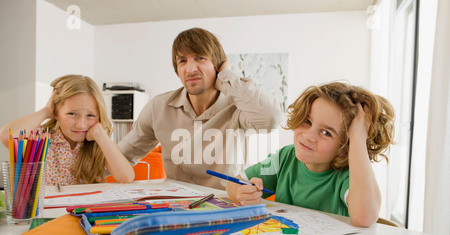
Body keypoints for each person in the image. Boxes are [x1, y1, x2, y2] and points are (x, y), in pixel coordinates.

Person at [117, 27, 281, 190]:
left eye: (200, 58)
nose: (190, 69)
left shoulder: (238, 106)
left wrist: (226, 76)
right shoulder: (158, 107)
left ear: (217, 65)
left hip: (225, 204)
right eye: (182, 61)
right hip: (176, 205)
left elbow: (271, 118)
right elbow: (121, 156)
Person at [226, 82, 395, 227]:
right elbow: (233, 184)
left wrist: (358, 137)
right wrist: (243, 192)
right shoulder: (286, 157)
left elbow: (364, 217)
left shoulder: (348, 176)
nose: (308, 136)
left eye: (326, 133)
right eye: (307, 121)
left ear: (345, 146)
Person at [0, 74, 135, 186]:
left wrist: (100, 135)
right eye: (72, 114)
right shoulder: (41, 137)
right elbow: (7, 136)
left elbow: (126, 177)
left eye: (90, 115)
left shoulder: (97, 142)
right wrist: (46, 111)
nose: (81, 125)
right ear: (56, 112)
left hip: (80, 213)